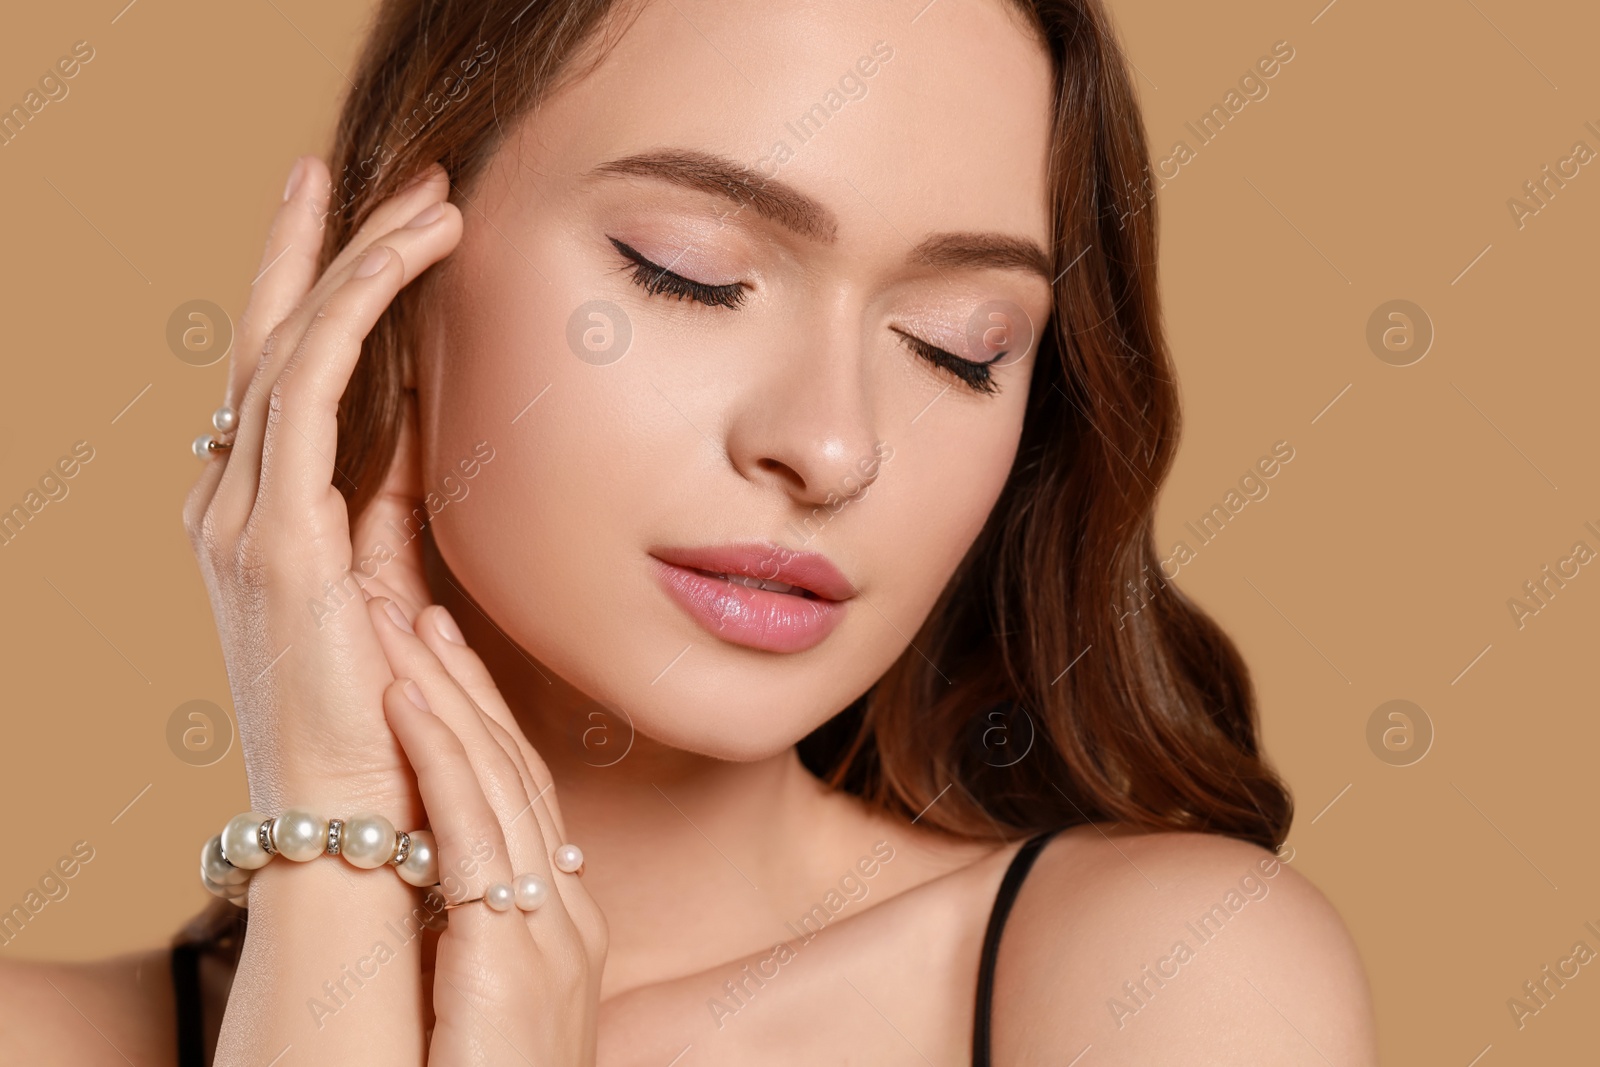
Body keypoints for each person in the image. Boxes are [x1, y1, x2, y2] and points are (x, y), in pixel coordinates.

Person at [0, 0, 1377, 1062]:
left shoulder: (1156, 979)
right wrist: (329, 859)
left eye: (964, 348)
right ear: (390, 286)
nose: (833, 445)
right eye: (690, 274)